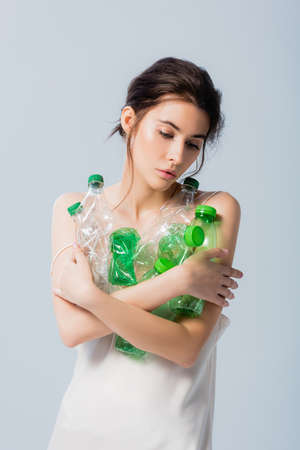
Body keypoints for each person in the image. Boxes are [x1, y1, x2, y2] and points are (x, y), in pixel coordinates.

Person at [48, 56, 244, 450]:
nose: (178, 155)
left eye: (193, 143)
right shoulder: (76, 211)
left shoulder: (212, 213)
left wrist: (91, 299)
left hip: (172, 434)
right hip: (82, 430)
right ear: (129, 120)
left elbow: (187, 347)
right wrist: (180, 280)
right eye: (166, 133)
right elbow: (72, 331)